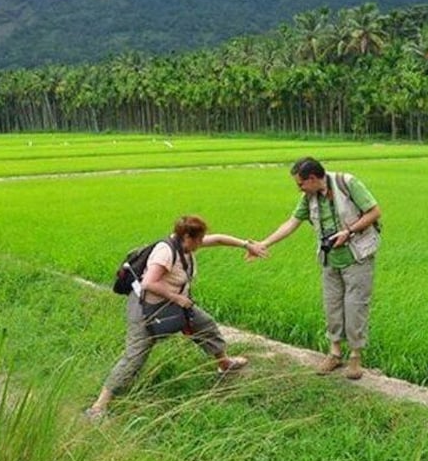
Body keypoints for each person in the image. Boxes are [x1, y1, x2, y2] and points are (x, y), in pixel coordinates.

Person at [87, 215, 268, 419]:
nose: (202, 243)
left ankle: (224, 363)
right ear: (187, 237)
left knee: (205, 324)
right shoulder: (165, 252)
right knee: (134, 357)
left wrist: (246, 245)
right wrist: (177, 297)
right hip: (146, 309)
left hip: (172, 303)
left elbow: (217, 239)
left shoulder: (185, 243)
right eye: (199, 240)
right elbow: (148, 282)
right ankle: (99, 406)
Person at [253, 157, 381, 380]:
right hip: (329, 258)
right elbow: (291, 223)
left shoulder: (346, 183)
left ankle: (355, 358)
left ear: (312, 179)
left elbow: (374, 212)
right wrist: (263, 243)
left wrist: (348, 231)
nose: (299, 189)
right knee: (332, 306)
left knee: (355, 306)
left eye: (300, 184)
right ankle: (334, 353)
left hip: (357, 256)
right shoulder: (309, 197)